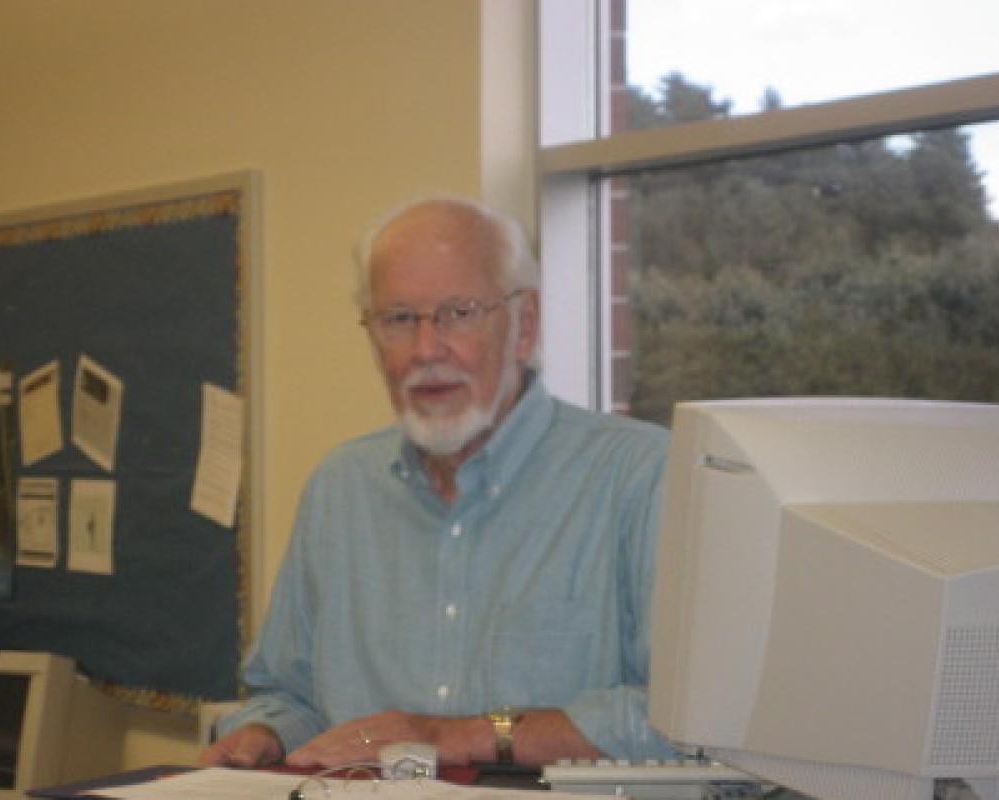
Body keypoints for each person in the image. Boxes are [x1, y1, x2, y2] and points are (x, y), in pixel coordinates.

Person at [200, 195, 677, 770]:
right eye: (398, 319)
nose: (426, 350)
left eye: (459, 313)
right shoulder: (340, 488)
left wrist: (455, 736)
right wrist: (263, 733)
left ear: (525, 325)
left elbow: (684, 724)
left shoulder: (640, 477)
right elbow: (288, 695)